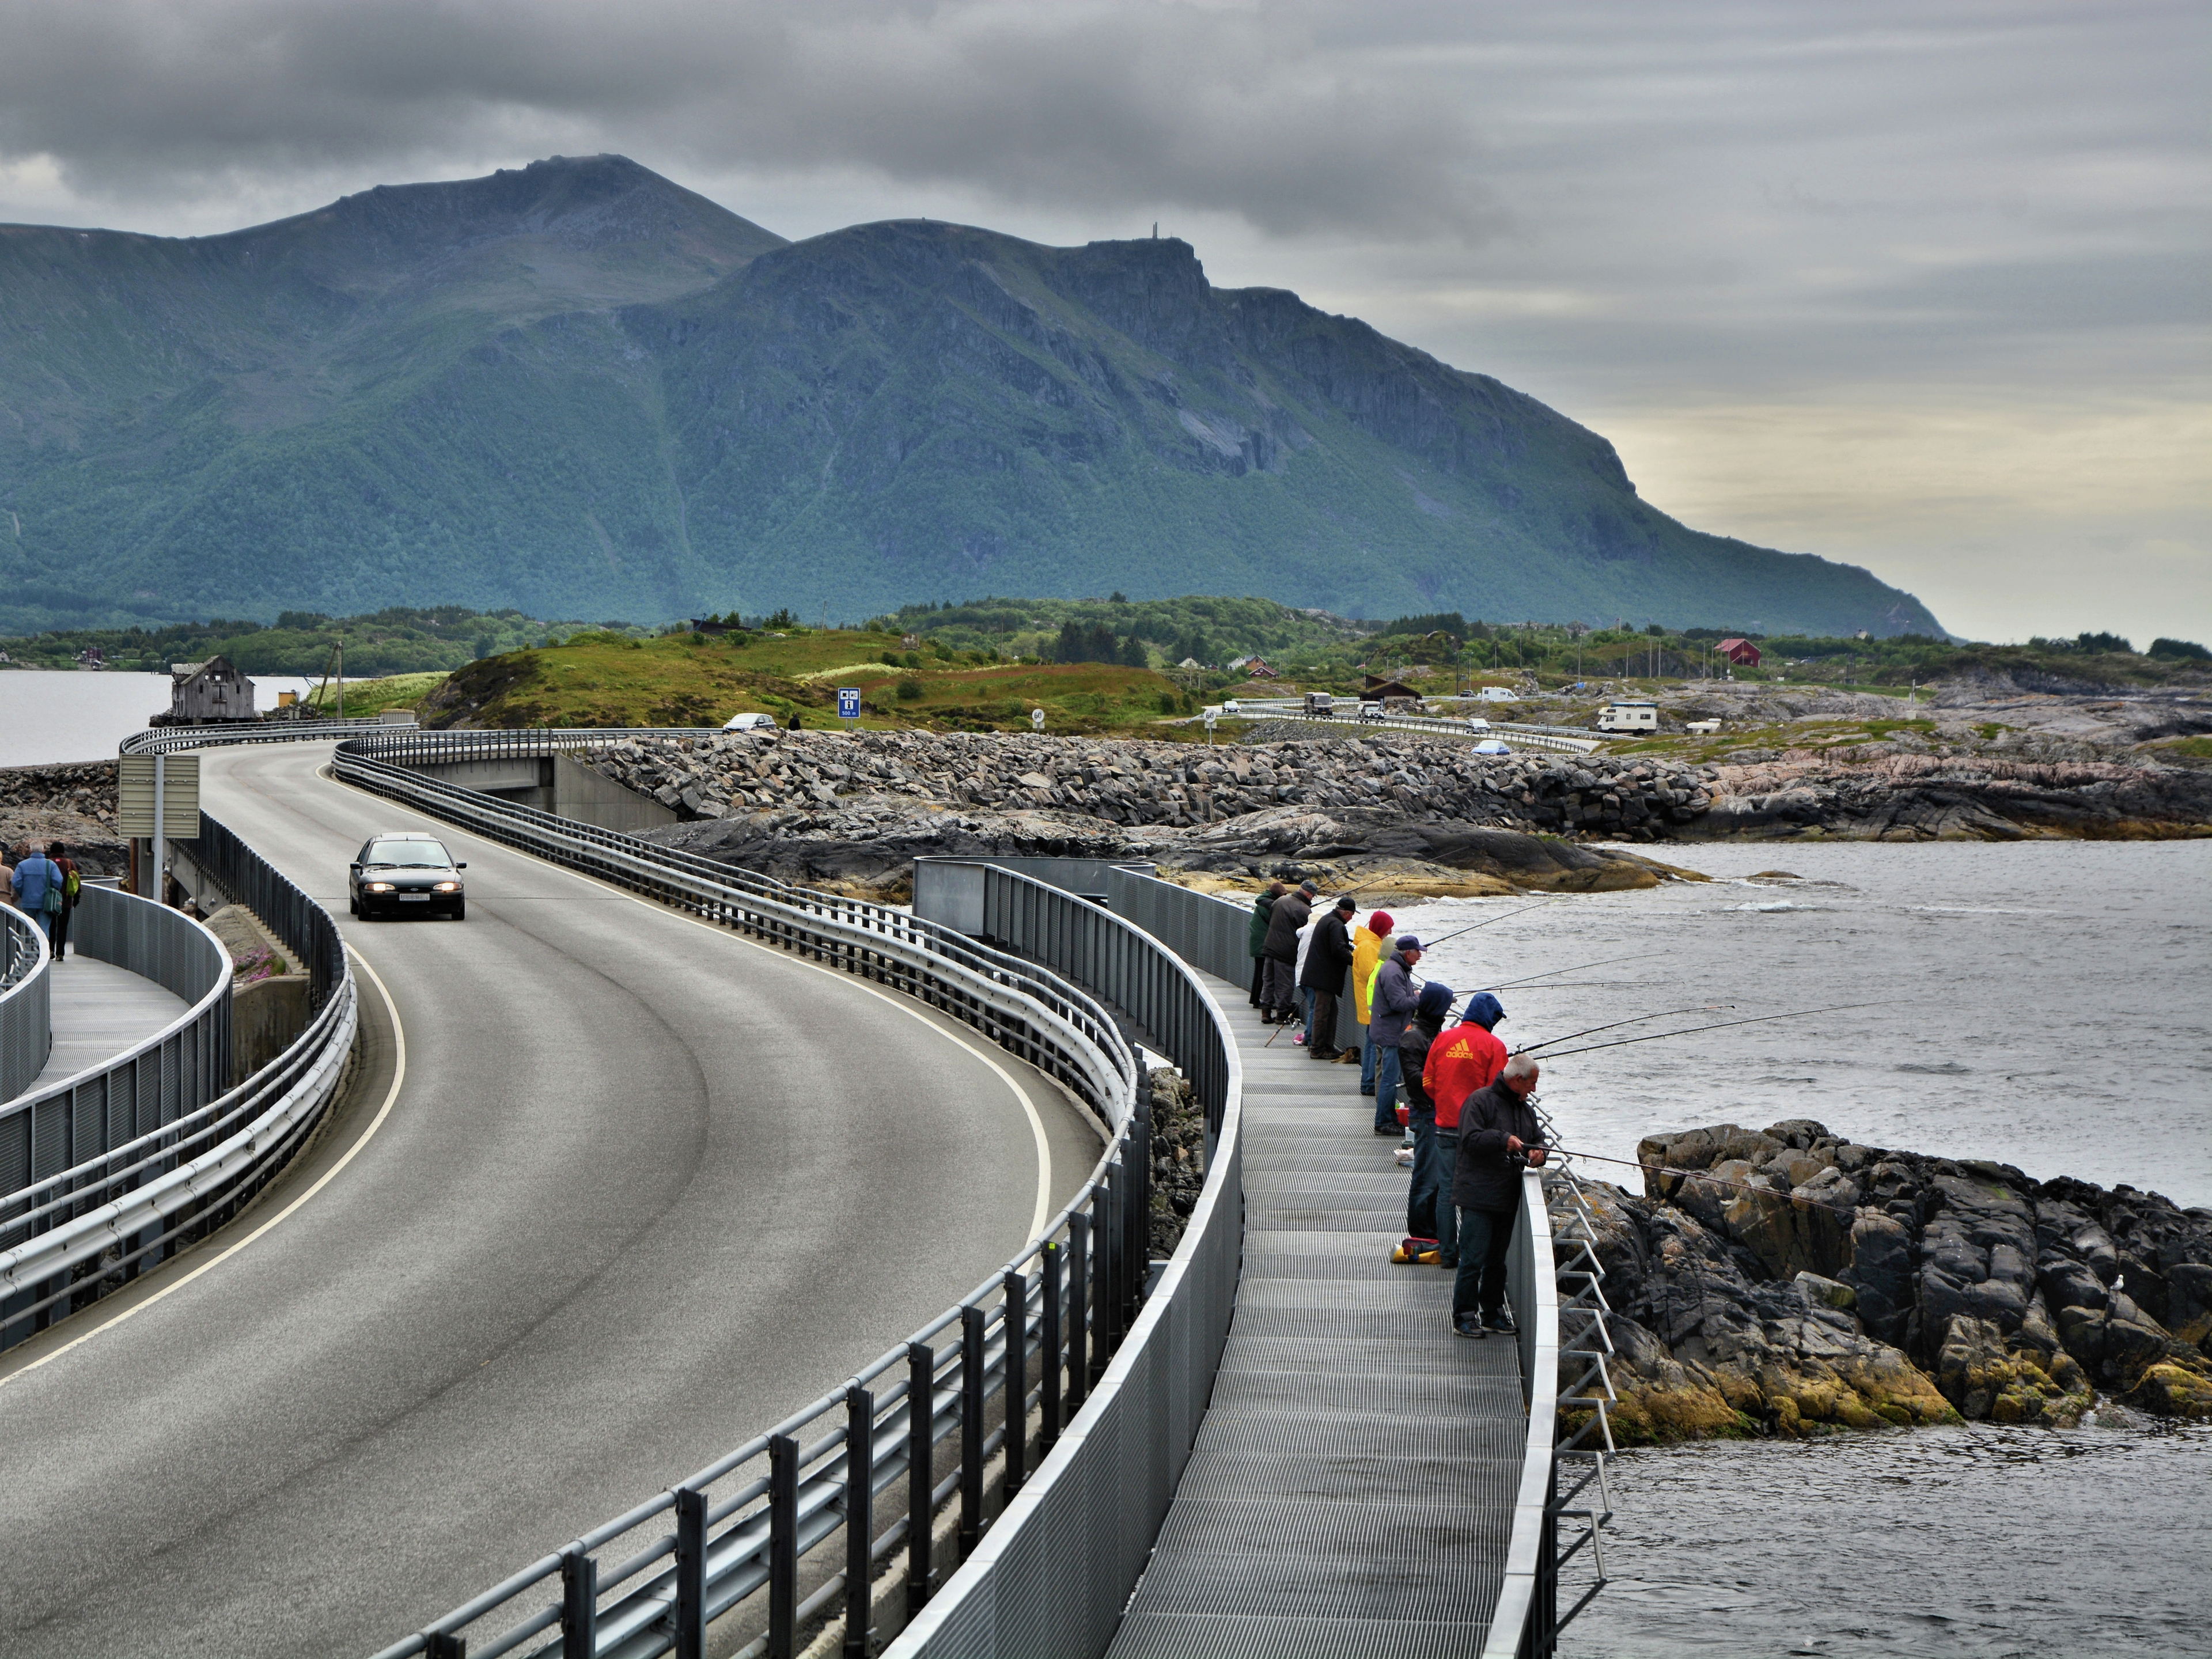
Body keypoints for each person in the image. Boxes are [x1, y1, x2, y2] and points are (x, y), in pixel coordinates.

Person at [1452, 1054, 1548, 1338]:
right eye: (1532, 1084)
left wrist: (1539, 1153)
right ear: (1518, 1080)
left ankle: (1493, 1312)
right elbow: (1469, 1140)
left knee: (1497, 1260)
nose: (1534, 1090)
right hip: (1478, 1196)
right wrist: (1502, 1140)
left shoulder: (1524, 1110)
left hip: (1506, 1197)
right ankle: (1464, 1316)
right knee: (1473, 1258)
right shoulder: (1480, 1101)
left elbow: (1538, 1138)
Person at [1422, 993, 1508, 1269]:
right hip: (1477, 1134)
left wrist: (1445, 1101)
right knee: (1477, 1197)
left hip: (1445, 1128)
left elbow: (1428, 1081)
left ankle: (1449, 1255)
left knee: (1446, 1193)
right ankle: (1476, 1260)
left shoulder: (1443, 1038)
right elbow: (1498, 1094)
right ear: (1489, 1019)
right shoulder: (1494, 1046)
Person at [1399, 982, 1453, 1240]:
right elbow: (1415, 1081)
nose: (1446, 1014)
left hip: (1437, 1112)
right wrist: (1446, 1079)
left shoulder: (1434, 1035)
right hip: (1425, 1113)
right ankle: (1421, 1230)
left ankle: (1432, 1227)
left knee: (1437, 1178)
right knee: (1426, 1176)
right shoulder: (1413, 1037)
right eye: (1444, 1008)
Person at [1368, 935, 1423, 1135]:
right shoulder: (1394, 972)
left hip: (1389, 1031)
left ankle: (1390, 1118)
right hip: (1390, 1034)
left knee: (1389, 1078)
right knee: (1390, 1079)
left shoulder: (1396, 969)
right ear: (1408, 953)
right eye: (1418, 952)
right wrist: (1419, 999)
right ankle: (1383, 1122)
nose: (1420, 956)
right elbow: (1399, 1004)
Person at [1300, 896, 1356, 1061]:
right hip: (1324, 977)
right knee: (1322, 1013)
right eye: (1352, 914)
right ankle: (1317, 1049)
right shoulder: (1336, 925)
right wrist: (1356, 960)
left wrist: (1347, 949)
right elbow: (1338, 950)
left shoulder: (1327, 920)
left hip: (1320, 975)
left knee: (1331, 1012)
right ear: (1346, 913)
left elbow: (1335, 946)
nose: (1352, 918)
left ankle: (1327, 1046)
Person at [1259, 878, 1313, 1024]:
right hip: (1287, 953)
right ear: (1308, 895)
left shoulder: (1280, 901)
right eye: (1313, 896)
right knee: (1285, 985)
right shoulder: (1305, 911)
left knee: (1268, 981)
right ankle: (1281, 1015)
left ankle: (1265, 1011)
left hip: (1270, 947)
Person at [1352, 910, 1393, 1097]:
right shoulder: (1369, 946)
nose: (1390, 933)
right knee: (1372, 1044)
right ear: (1380, 928)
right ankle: (1368, 1084)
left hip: (1371, 1002)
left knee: (1371, 1042)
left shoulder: (1372, 943)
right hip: (1372, 1003)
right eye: (1388, 928)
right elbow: (1373, 974)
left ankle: (1368, 1083)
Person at [11, 843, 62, 941]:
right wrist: (51, 891)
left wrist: (23, 894)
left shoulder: (22, 865)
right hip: (46, 903)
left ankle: (30, 953)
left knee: (29, 929)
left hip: (28, 902)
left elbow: (16, 882)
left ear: (30, 851)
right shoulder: (51, 865)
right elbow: (58, 881)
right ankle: (42, 953)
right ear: (43, 851)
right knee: (43, 931)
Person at [1247, 881, 1283, 1007]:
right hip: (1264, 944)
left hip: (1258, 942)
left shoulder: (1265, 901)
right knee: (1264, 974)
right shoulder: (1269, 905)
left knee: (1259, 973)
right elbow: (1278, 919)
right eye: (1283, 894)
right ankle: (1260, 1002)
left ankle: (1255, 1000)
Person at [46, 841, 80, 961]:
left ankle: (50, 950)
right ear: (63, 851)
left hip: (49, 901)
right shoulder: (69, 864)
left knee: (51, 926)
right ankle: (60, 954)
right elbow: (77, 882)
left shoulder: (47, 864)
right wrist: (76, 899)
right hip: (65, 901)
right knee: (62, 927)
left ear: (51, 851)